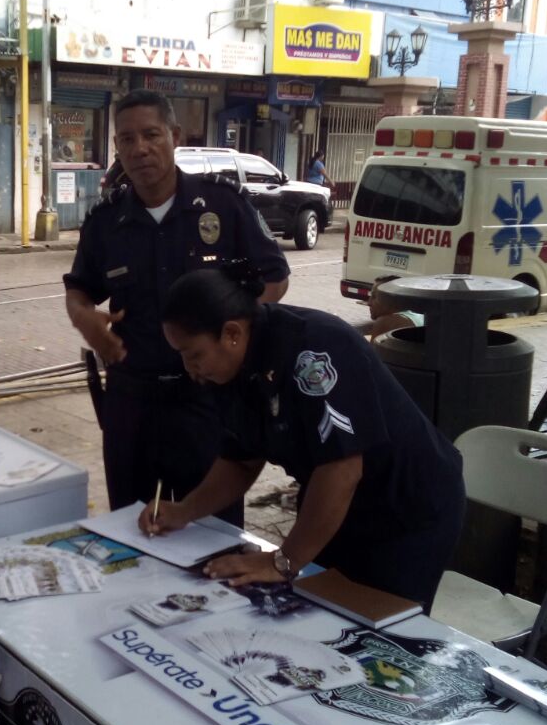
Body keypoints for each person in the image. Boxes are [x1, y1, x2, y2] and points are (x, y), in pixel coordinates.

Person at [139, 263, 465, 609]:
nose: (189, 368)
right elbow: (241, 460)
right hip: (338, 507)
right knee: (321, 610)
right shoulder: (230, 368)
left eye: (194, 355)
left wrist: (284, 561)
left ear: (231, 334)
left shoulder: (314, 352)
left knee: (378, 625)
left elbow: (341, 470)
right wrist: (186, 510)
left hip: (406, 508)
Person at [64, 89, 290, 515]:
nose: (140, 148)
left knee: (212, 530)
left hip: (207, 400)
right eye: (127, 139)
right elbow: (79, 289)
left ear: (175, 136)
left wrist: (230, 336)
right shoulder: (106, 221)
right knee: (131, 524)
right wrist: (83, 318)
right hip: (132, 403)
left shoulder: (222, 205)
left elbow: (275, 278)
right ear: (116, 147)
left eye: (151, 135)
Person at [362, 275, 424, 341]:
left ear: (393, 299)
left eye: (374, 297)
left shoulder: (387, 321)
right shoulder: (419, 317)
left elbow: (371, 348)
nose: (369, 303)